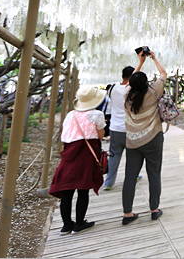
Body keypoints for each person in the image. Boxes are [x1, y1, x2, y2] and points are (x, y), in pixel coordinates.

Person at [49, 85, 107, 235]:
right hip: (86, 154)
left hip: (69, 154)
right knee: (83, 190)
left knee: (67, 191)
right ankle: (79, 222)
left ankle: (66, 225)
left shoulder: (71, 115)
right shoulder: (97, 115)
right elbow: (100, 136)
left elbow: (66, 135)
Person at [122, 49, 167, 225]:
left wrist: (139, 62)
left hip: (133, 141)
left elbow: (133, 81)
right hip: (153, 138)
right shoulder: (153, 92)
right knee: (154, 174)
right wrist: (153, 58)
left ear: (130, 84)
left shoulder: (127, 95)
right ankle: (154, 209)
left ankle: (127, 213)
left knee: (130, 177)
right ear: (147, 82)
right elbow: (163, 73)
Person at [103, 68, 142, 190]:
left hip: (115, 128)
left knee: (114, 155)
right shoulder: (132, 90)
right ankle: (133, 176)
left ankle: (108, 182)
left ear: (122, 75)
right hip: (130, 128)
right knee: (132, 155)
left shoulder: (112, 88)